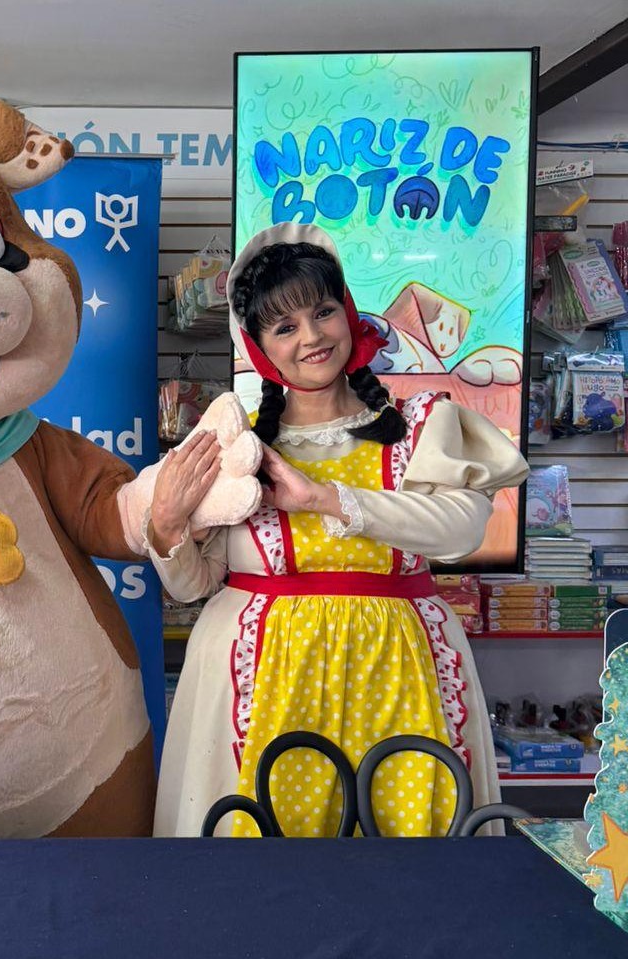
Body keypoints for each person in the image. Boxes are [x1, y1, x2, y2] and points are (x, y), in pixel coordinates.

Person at [148, 223, 529, 838]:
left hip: (399, 670)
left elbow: (463, 529)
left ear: (347, 313)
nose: (312, 336)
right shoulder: (237, 447)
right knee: (266, 848)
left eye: (323, 312)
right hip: (263, 672)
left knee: (406, 843)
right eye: (284, 327)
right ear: (259, 348)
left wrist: (326, 499)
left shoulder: (418, 423)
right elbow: (196, 585)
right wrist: (167, 527)